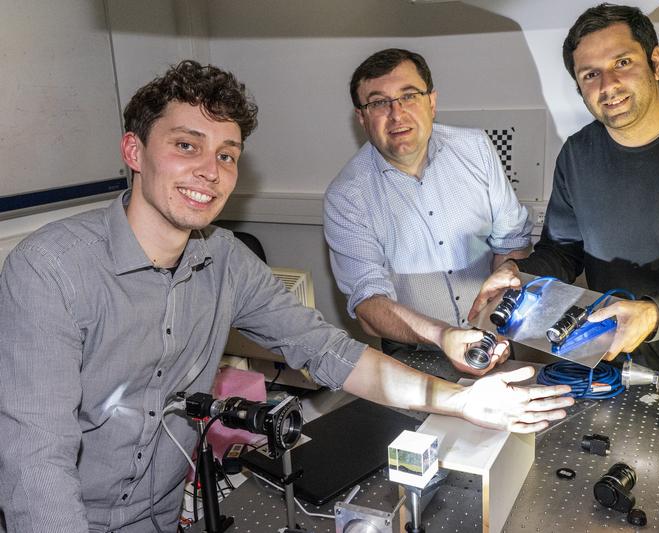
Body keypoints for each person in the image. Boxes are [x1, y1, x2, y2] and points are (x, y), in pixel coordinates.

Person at [0, 60, 572, 533]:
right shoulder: (50, 270)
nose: (210, 171)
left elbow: (329, 351)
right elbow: (35, 466)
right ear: (134, 151)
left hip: (166, 516)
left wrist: (460, 401)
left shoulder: (225, 260)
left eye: (226, 154)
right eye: (185, 145)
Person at [470, 3, 659, 386]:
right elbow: (563, 252)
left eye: (622, 63)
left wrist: (654, 314)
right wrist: (516, 274)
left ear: (656, 62)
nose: (607, 85)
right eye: (590, 74)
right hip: (607, 370)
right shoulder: (578, 154)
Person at [324, 48, 533, 377]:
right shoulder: (347, 196)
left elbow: (511, 243)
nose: (397, 113)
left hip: (494, 340)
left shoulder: (476, 149)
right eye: (379, 102)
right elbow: (368, 304)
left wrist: (498, 312)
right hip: (411, 356)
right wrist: (442, 335)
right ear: (361, 117)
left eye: (409, 96)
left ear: (431, 102)